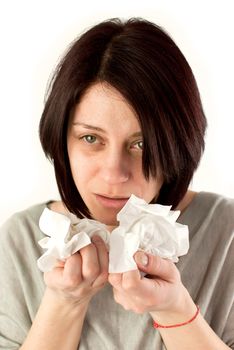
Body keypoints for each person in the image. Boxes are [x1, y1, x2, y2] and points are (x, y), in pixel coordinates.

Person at [0, 17, 233, 350]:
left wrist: (174, 308)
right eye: (91, 138)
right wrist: (64, 303)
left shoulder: (226, 233)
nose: (114, 174)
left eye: (141, 144)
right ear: (62, 138)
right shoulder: (20, 241)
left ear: (179, 143)